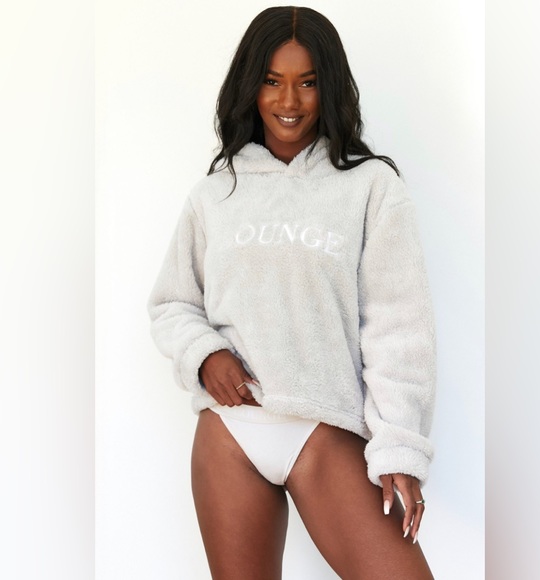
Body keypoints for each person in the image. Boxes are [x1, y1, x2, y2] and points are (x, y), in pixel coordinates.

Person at [148, 6, 436, 579]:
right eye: (272, 81)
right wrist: (205, 355)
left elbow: (399, 326)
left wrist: (399, 448)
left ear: (329, 87)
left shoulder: (371, 187)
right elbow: (172, 302)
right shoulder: (215, 194)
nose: (289, 101)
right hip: (229, 431)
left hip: (324, 430)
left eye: (307, 82)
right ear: (250, 86)